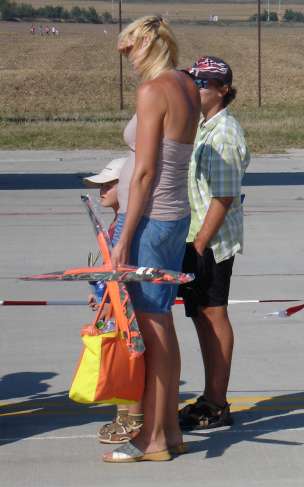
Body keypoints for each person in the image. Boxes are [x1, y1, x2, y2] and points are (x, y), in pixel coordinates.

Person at [104, 15, 200, 463]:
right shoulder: (186, 86)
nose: (128, 62)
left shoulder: (153, 90)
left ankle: (155, 438)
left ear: (146, 45)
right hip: (172, 217)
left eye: (130, 52)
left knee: (151, 327)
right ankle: (169, 431)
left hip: (149, 220)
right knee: (161, 323)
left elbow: (144, 172)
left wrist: (124, 236)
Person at [176, 56, 250, 430]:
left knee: (213, 312)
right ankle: (210, 395)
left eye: (203, 84)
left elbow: (223, 196)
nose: (196, 89)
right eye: (193, 83)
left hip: (211, 240)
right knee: (201, 314)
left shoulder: (223, 133)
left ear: (222, 90)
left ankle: (217, 402)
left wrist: (200, 244)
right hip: (195, 235)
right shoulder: (203, 126)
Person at [83, 158, 145, 444]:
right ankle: (123, 416)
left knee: (127, 363)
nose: (102, 190)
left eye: (109, 184)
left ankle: (133, 420)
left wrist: (109, 300)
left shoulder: (124, 226)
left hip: (122, 308)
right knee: (118, 364)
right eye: (101, 185)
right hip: (111, 306)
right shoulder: (116, 223)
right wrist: (98, 291)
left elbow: (122, 272)